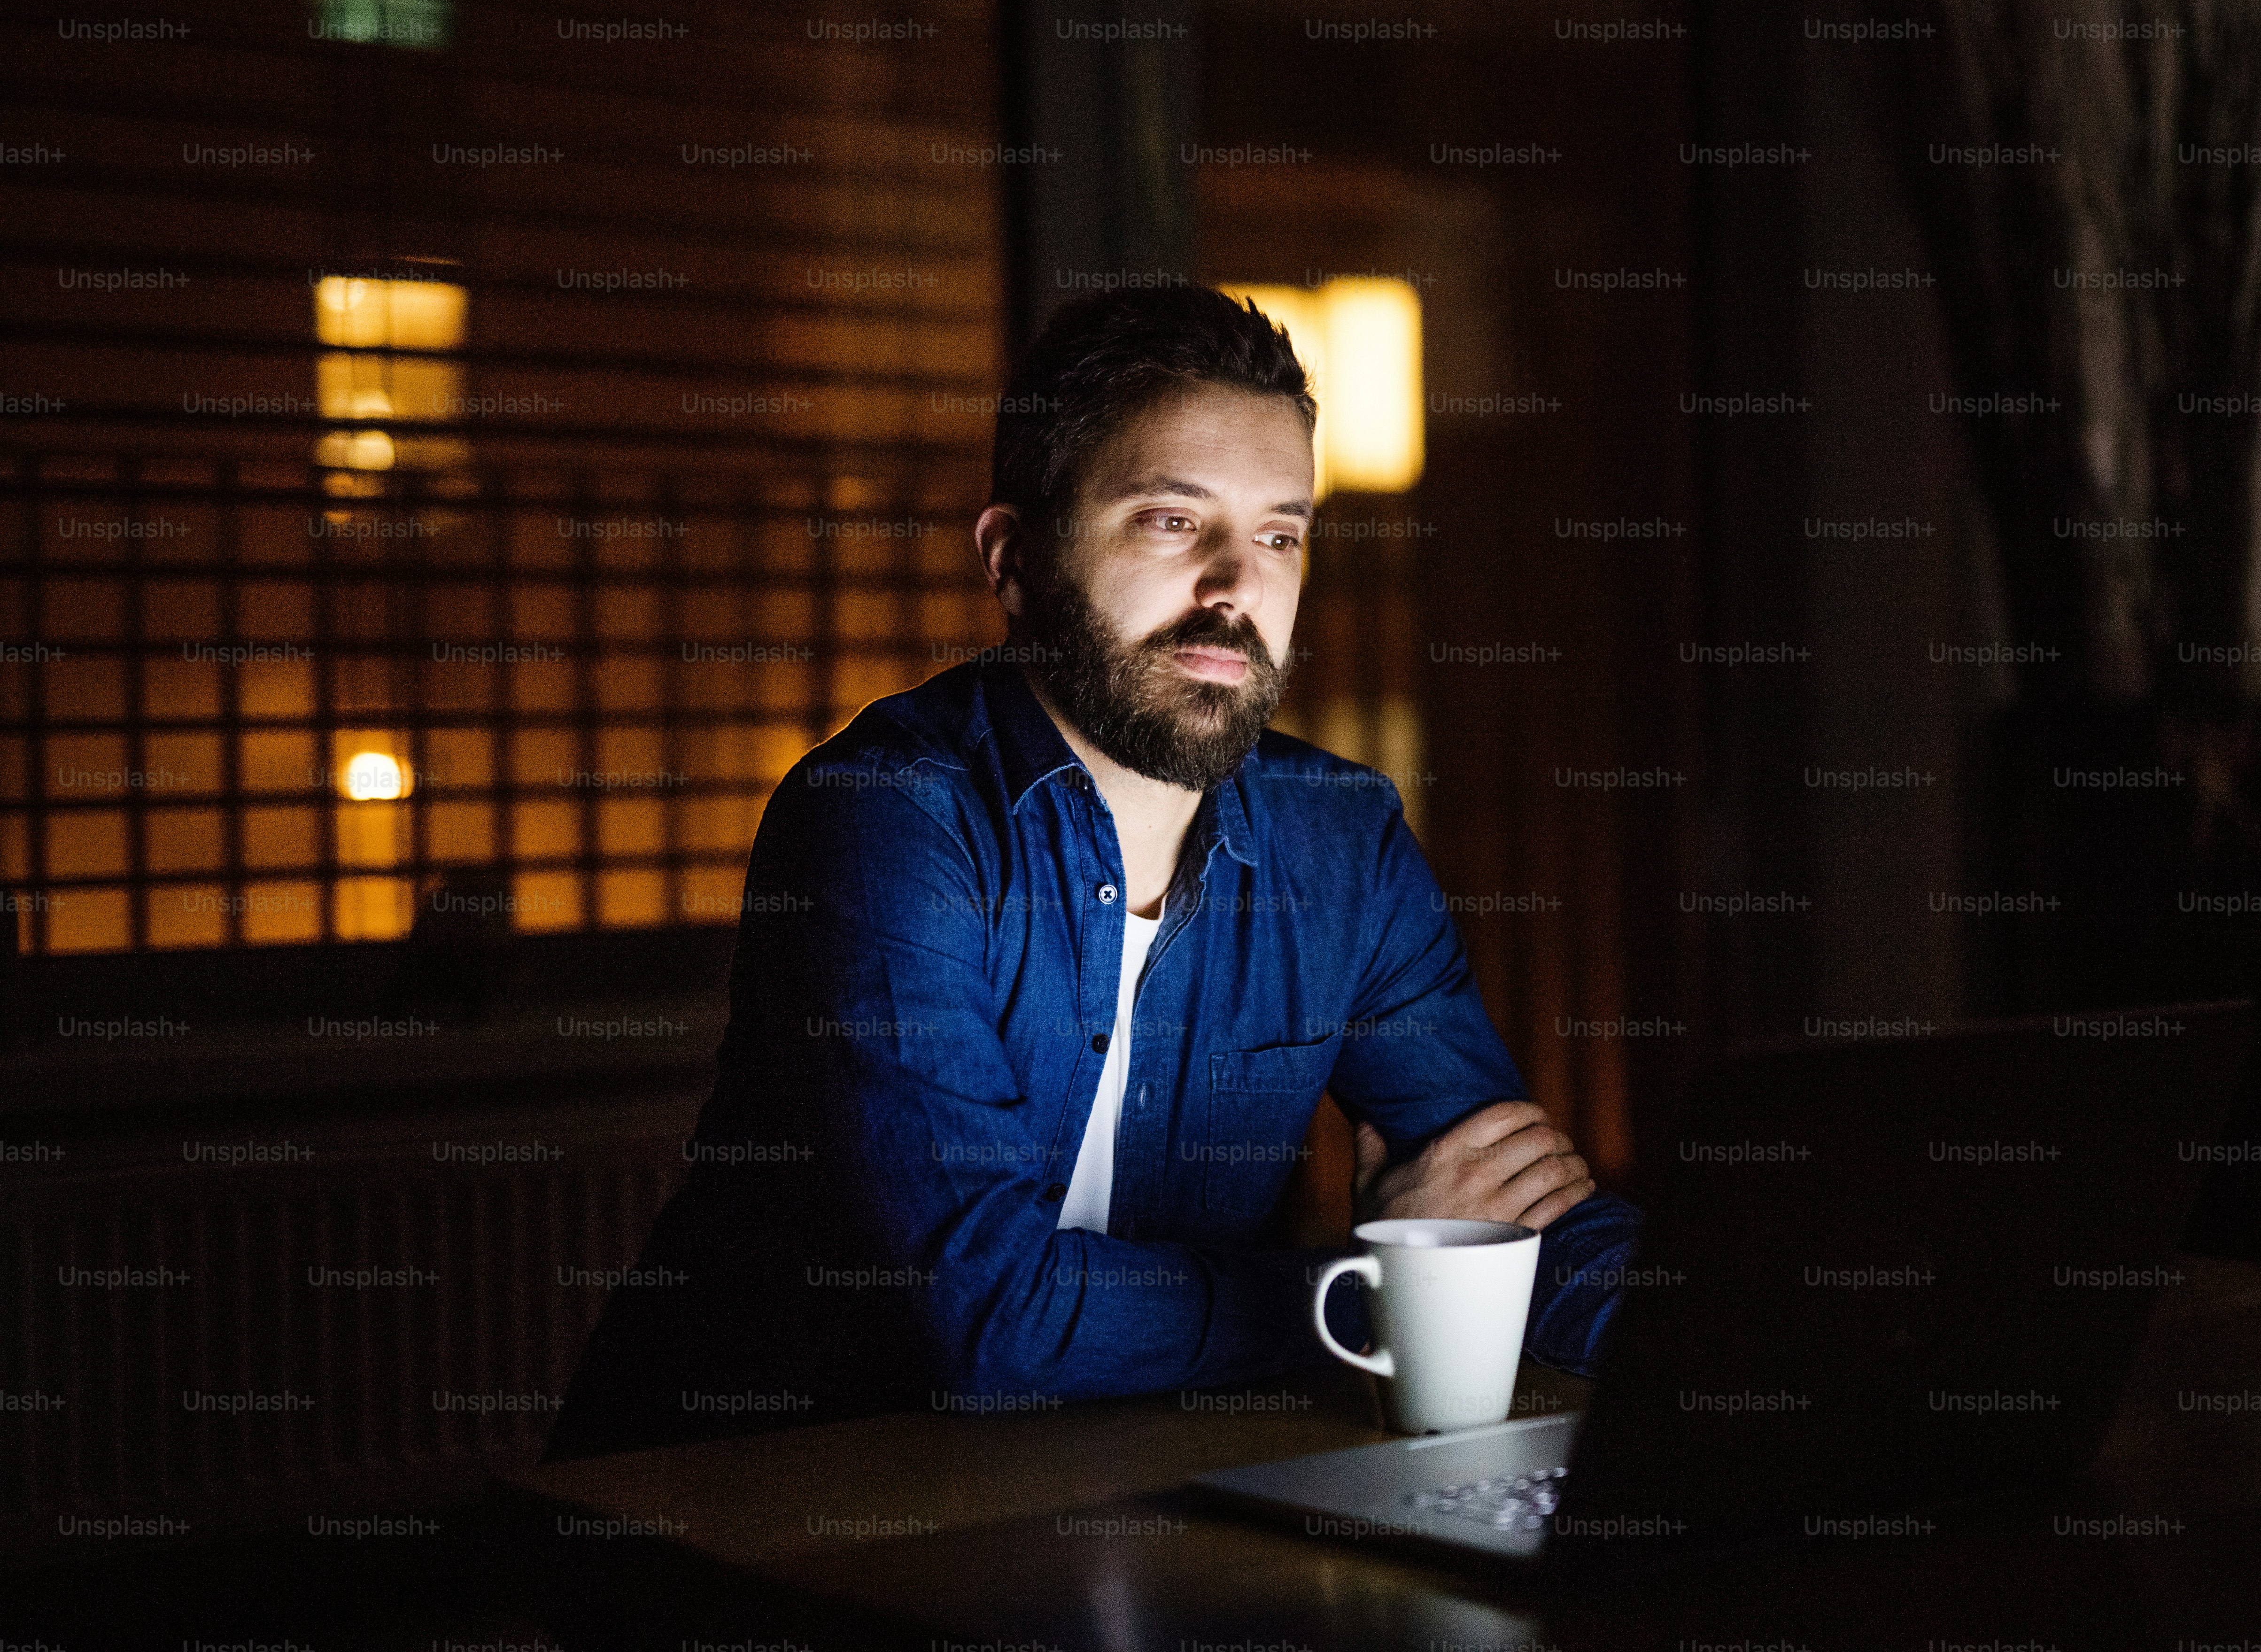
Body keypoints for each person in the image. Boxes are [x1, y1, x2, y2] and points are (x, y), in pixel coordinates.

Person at [547, 286, 1642, 1459]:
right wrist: (1370, 1286)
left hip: (1117, 1487)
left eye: (1279, 535)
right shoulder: (886, 817)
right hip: (759, 1498)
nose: (1237, 586)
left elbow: (1517, 1221)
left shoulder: (1341, 845)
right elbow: (984, 1319)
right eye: (1172, 521)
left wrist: (1755, 1339)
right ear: (1014, 559)